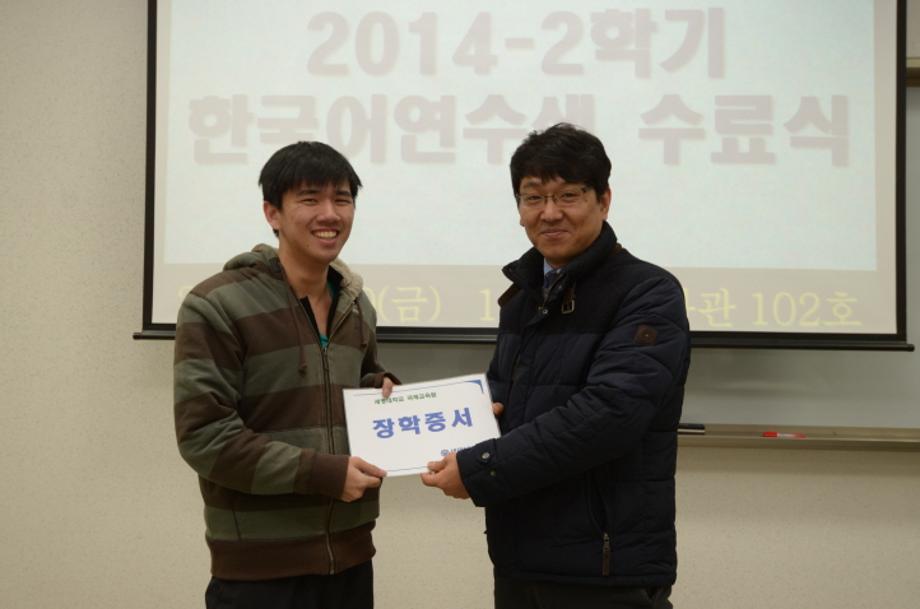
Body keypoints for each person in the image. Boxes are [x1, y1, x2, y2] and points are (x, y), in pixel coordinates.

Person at [421, 123, 691, 609]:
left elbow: (609, 415)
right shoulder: (523, 296)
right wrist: (433, 421)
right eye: (533, 198)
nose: (549, 213)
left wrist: (480, 469)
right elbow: (504, 404)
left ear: (604, 200)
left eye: (568, 195)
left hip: (604, 568)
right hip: (520, 557)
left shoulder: (647, 293)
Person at [174, 141, 398, 609]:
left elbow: (357, 383)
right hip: (259, 573)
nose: (330, 214)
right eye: (310, 199)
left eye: (342, 199)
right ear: (272, 213)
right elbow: (205, 438)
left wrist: (381, 392)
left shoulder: (356, 305)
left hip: (352, 561)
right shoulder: (217, 304)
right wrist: (323, 474)